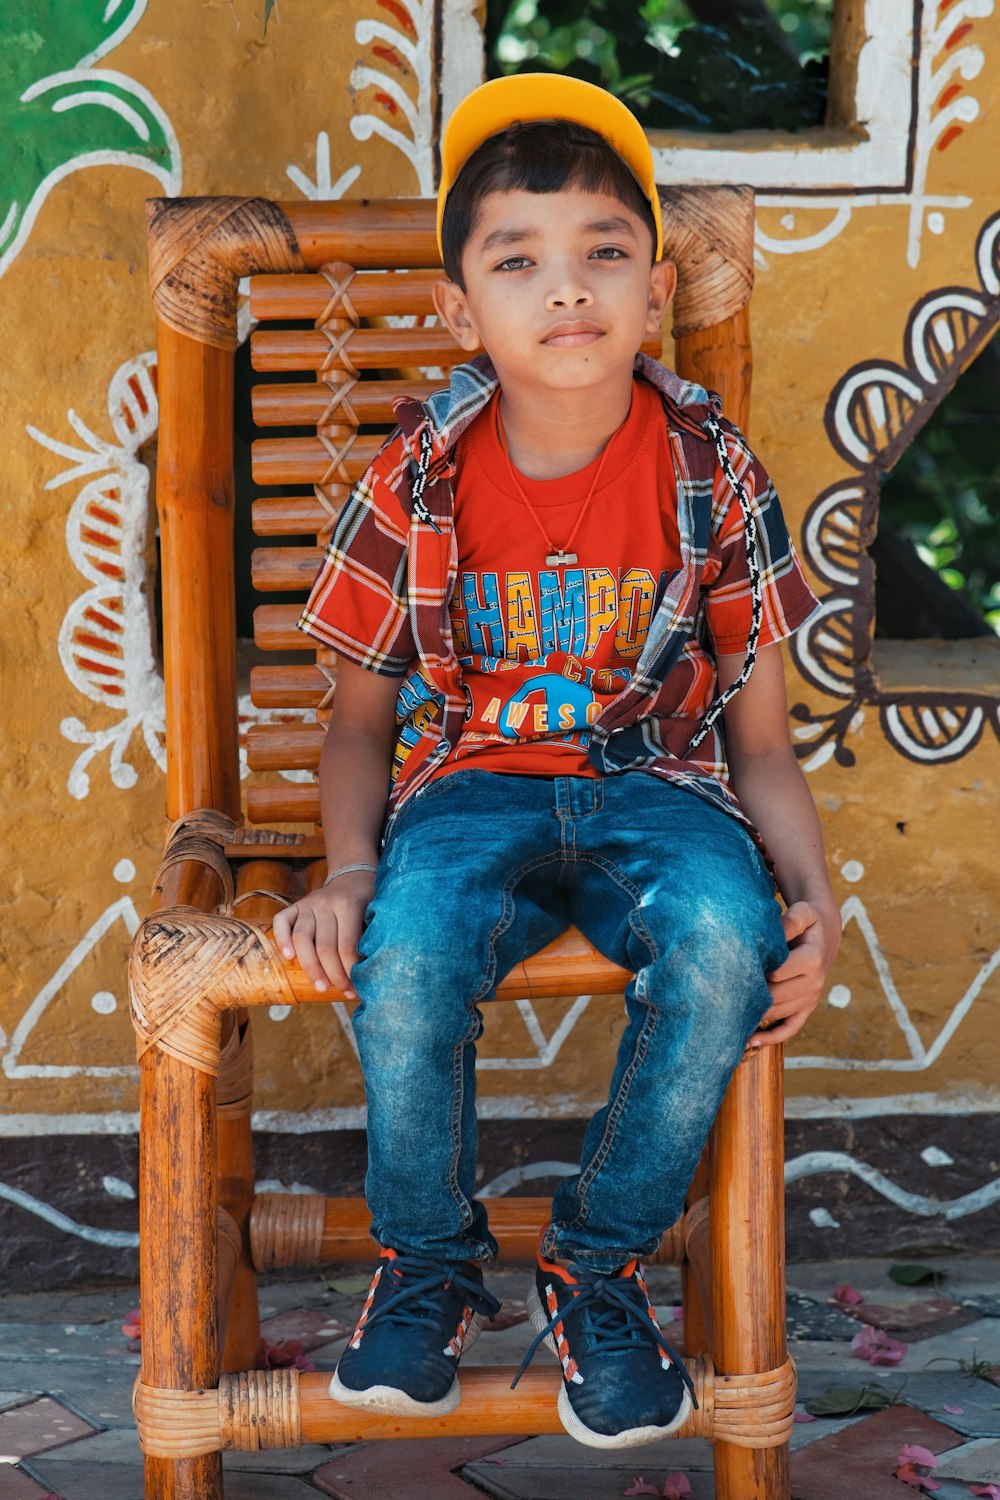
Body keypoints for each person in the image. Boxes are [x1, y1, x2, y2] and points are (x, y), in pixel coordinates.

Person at [273, 72, 841, 1450]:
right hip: (468, 790)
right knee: (406, 948)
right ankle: (429, 1266)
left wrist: (816, 899)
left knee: (723, 938)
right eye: (518, 260)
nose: (567, 287)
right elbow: (357, 722)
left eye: (604, 252)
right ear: (463, 313)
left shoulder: (713, 468)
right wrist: (349, 870)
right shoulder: (415, 477)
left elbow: (757, 743)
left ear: (653, 291)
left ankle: (595, 1262)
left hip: (663, 789)